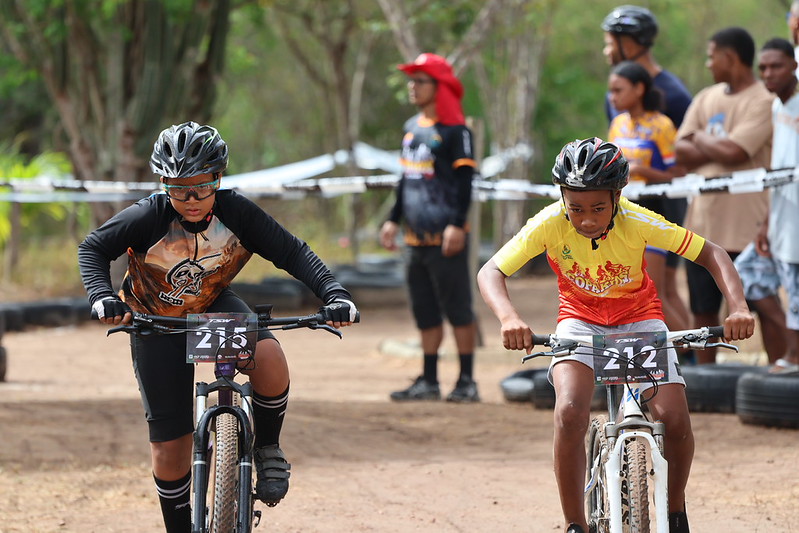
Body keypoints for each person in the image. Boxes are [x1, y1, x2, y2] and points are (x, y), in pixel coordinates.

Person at [78, 121, 358, 533]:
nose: (190, 200)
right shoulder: (148, 216)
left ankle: (266, 447)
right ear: (162, 184)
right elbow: (93, 249)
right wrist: (101, 296)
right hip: (154, 320)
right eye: (178, 189)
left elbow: (292, 252)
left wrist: (334, 294)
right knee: (170, 449)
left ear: (219, 179)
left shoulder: (237, 211)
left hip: (211, 305)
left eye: (202, 186)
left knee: (268, 354)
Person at [477, 138, 755, 533]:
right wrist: (509, 319)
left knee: (674, 419)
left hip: (639, 320)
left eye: (598, 208)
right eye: (575, 208)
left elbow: (712, 253)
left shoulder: (637, 220)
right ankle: (575, 524)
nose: (586, 219)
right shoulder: (549, 223)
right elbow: (491, 271)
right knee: (570, 410)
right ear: (562, 198)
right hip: (580, 322)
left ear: (617, 196)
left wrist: (739, 307)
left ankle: (675, 512)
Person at [379, 52, 479, 403]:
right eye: (411, 80)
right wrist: (392, 218)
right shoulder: (411, 128)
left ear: (440, 87)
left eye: (420, 80)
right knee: (425, 310)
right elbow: (405, 180)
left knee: (458, 308)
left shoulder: (456, 132)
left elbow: (466, 182)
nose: (413, 86)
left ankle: (467, 381)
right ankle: (429, 379)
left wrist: (457, 224)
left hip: (446, 237)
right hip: (415, 238)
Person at [675, 27, 774, 364]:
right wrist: (711, 144)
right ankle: (705, 380)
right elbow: (679, 150)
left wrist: (699, 138)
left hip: (746, 226)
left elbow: (735, 150)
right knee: (702, 309)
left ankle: (782, 370)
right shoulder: (706, 97)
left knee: (762, 305)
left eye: (711, 55)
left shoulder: (764, 99)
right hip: (702, 226)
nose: (708, 63)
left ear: (730, 57)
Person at [601, 4, 693, 338]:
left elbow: (683, 158)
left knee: (660, 288)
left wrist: (650, 173)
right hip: (628, 207)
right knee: (660, 288)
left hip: (664, 205)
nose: (606, 50)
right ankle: (692, 363)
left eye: (611, 41)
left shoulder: (674, 95)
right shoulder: (618, 98)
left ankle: (695, 361)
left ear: (631, 41)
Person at [741, 37, 799, 372]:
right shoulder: (778, 107)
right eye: (763, 68)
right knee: (748, 274)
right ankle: (794, 345)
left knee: (794, 288)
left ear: (793, 65)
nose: (768, 73)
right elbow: (779, 169)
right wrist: (766, 221)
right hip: (780, 216)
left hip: (796, 224)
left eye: (776, 65)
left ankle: (793, 355)